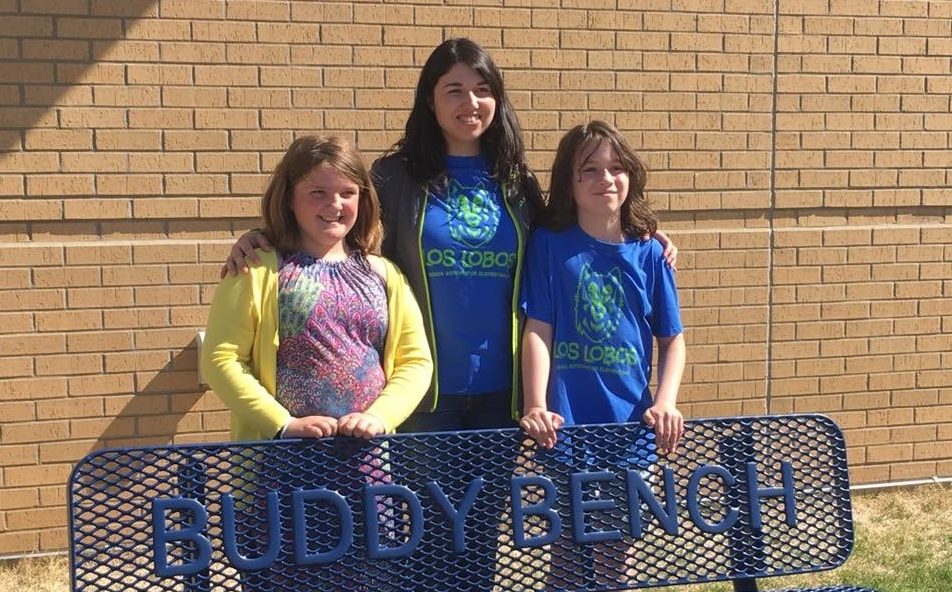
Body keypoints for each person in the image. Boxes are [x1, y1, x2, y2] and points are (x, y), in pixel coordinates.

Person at [219, 38, 678, 589]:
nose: (470, 102)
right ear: (430, 101)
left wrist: (644, 231)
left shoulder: (515, 183)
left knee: (478, 535)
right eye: (454, 89)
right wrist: (262, 235)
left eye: (483, 90)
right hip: (424, 394)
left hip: (497, 395)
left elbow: (578, 222)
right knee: (422, 538)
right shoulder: (395, 177)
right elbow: (337, 217)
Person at [201, 135, 432, 591]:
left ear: (363, 200)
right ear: (289, 198)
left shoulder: (383, 273)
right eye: (318, 192)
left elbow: (414, 362)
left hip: (368, 469)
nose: (334, 204)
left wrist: (379, 418)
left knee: (371, 581)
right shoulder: (259, 266)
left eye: (347, 192)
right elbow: (221, 360)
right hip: (281, 468)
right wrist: (283, 424)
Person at [519, 120, 686, 589]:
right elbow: (538, 329)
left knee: (617, 557)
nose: (605, 179)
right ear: (568, 183)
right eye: (588, 170)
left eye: (616, 168)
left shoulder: (651, 253)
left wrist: (666, 400)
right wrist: (536, 404)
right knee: (567, 558)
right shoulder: (550, 245)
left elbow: (672, 339)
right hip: (566, 432)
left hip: (631, 431)